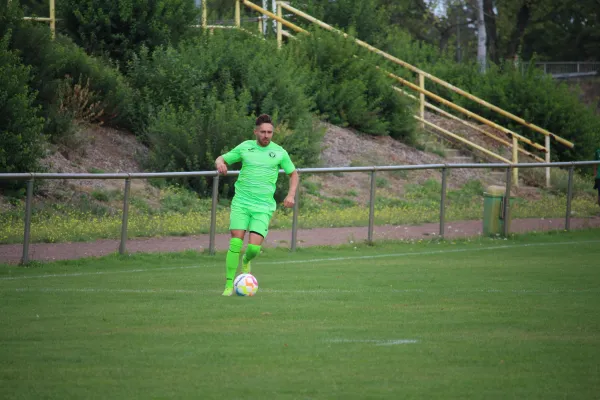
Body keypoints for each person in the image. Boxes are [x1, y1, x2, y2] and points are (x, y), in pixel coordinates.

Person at [215, 114, 299, 296]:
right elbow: (221, 158)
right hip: (242, 203)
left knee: (253, 248)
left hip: (263, 207)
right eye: (263, 132)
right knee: (236, 240)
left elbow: (294, 174)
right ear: (256, 132)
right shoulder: (245, 147)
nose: (266, 135)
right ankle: (229, 285)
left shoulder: (279, 152)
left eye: (269, 132)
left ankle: (246, 260)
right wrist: (220, 164)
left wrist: (291, 195)